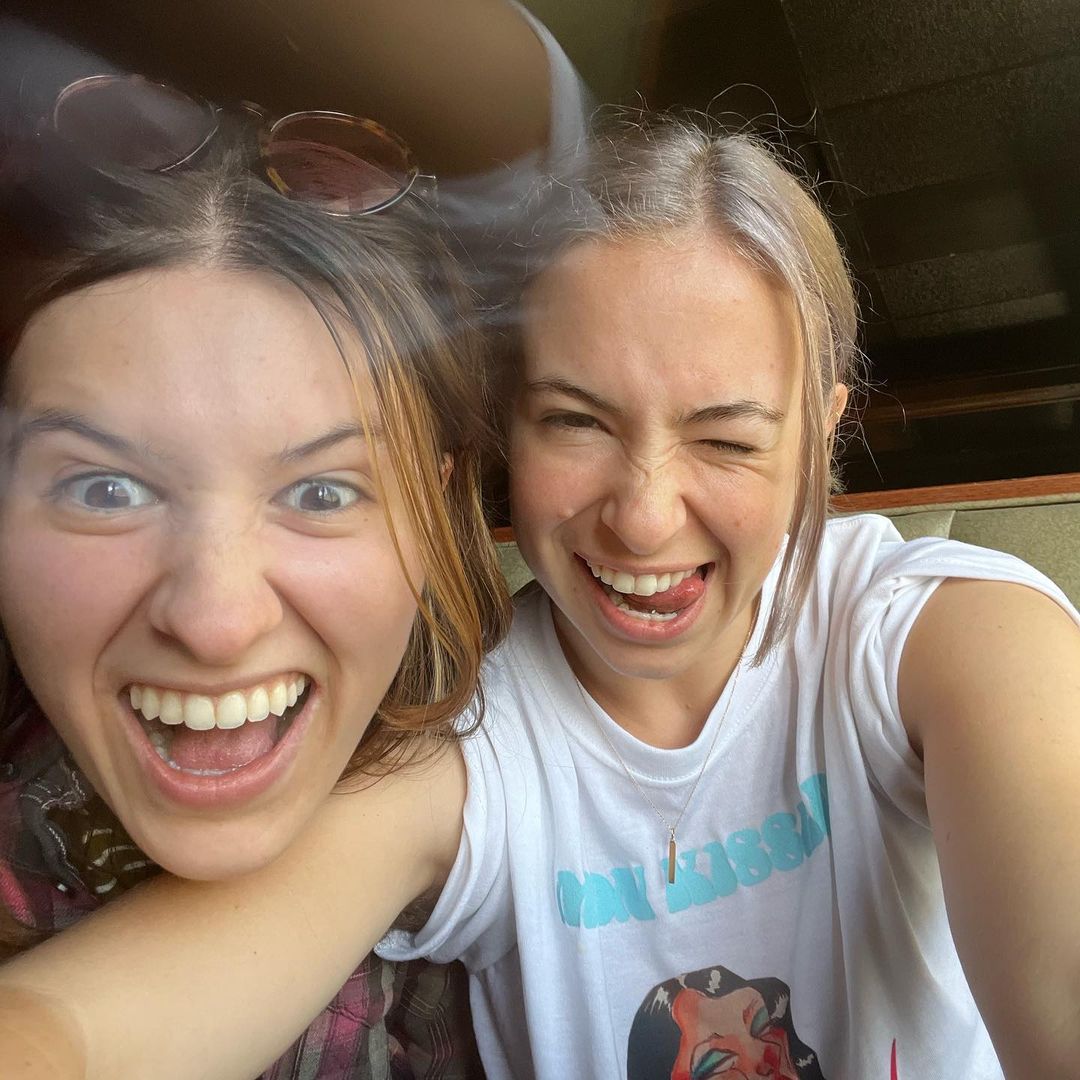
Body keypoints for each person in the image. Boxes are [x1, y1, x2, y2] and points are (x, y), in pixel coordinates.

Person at [3, 115, 1079, 1079]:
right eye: (575, 422)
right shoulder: (471, 751)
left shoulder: (944, 637)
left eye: (726, 440)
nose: (645, 517)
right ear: (505, 434)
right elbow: (83, 1026)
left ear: (821, 435)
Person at [0, 76, 511, 1078]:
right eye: (105, 489)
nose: (217, 621)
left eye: (322, 491)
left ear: (435, 511)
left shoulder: (531, 802)